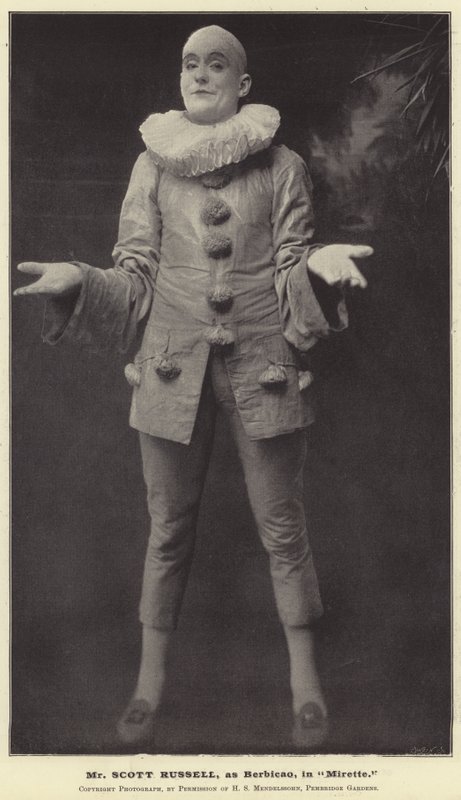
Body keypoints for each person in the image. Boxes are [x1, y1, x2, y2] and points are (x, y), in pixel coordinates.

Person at [14, 24, 372, 750]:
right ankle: (148, 687)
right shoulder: (151, 167)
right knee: (168, 529)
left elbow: (289, 265)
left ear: (243, 84)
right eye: (190, 65)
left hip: (264, 368)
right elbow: (136, 277)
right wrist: (79, 279)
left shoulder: (283, 167)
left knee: (283, 527)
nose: (200, 75)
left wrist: (315, 268)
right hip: (169, 369)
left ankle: (306, 686)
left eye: (216, 65)